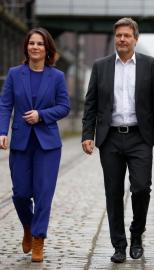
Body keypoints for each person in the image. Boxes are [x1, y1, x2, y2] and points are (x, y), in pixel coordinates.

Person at [81, 17, 154, 263]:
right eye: (118, 35)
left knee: (141, 188)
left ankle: (137, 235)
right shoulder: (101, 66)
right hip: (109, 139)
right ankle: (119, 245)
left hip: (139, 138)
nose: (122, 39)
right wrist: (88, 134)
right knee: (113, 192)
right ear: (115, 38)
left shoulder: (150, 65)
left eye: (127, 35)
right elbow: (91, 103)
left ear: (135, 39)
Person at [0, 28, 70, 262]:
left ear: (47, 48)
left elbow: (64, 107)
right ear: (26, 47)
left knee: (43, 194)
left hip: (47, 145)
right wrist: (2, 131)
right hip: (20, 142)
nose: (35, 47)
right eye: (32, 43)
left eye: (40, 44)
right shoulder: (14, 74)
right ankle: (28, 227)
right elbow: (5, 105)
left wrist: (41, 115)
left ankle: (38, 238)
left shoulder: (57, 77)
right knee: (20, 194)